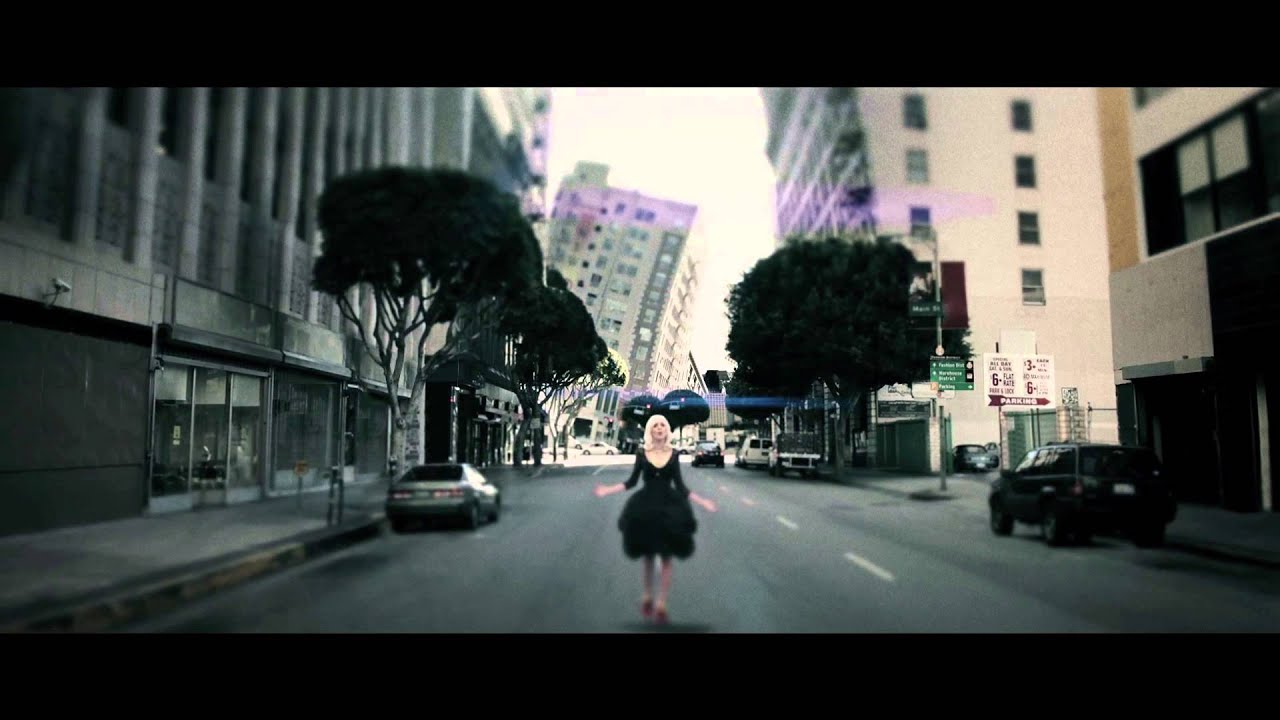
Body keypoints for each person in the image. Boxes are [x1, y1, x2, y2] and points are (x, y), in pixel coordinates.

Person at [594, 413, 716, 624]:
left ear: (667, 430)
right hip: (646, 508)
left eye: (662, 425)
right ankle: (647, 595)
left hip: (670, 507)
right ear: (650, 430)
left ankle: (661, 603)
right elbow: (632, 482)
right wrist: (607, 490)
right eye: (655, 425)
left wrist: (703, 502)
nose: (659, 428)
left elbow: (681, 486)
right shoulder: (642, 453)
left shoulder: (674, 454)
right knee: (648, 556)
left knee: (667, 557)